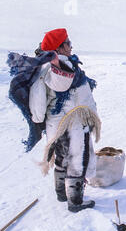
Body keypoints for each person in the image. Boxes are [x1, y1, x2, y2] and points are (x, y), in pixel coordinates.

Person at [29, 28, 100, 212]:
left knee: (62, 158)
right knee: (77, 161)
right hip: (73, 123)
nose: (71, 46)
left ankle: (62, 193)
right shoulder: (56, 68)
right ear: (58, 48)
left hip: (58, 123)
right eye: (68, 43)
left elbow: (39, 102)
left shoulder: (52, 66)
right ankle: (75, 201)